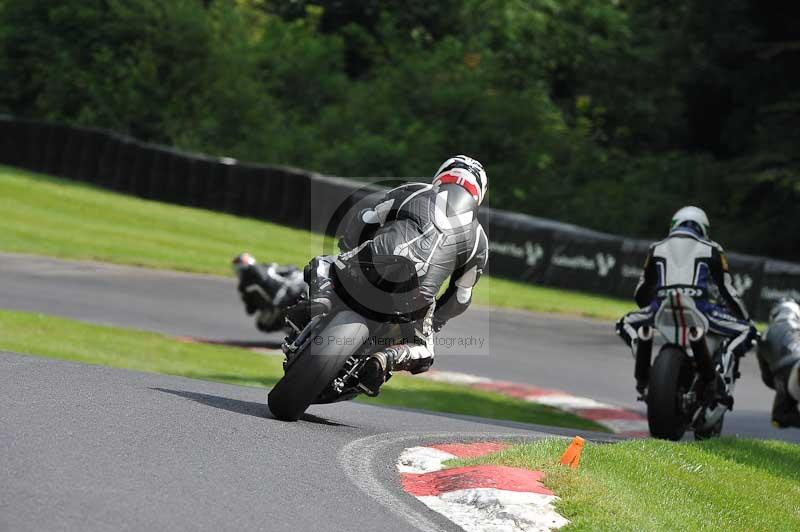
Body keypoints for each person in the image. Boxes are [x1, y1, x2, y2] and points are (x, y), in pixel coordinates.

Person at [304, 155, 489, 396]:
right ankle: (386, 359)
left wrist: (348, 249)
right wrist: (436, 322)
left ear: (441, 175)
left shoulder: (413, 191)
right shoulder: (479, 241)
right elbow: (460, 298)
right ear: (479, 194)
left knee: (323, 263)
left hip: (374, 259)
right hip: (416, 297)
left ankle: (320, 300)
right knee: (425, 351)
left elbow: (365, 220)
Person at [616, 206, 758, 397]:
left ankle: (643, 364)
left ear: (674, 225)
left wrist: (649, 309)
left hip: (661, 307)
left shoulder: (655, 248)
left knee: (623, 323)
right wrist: (744, 318)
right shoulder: (713, 249)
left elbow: (641, 292)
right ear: (704, 229)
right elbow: (728, 291)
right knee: (748, 332)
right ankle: (721, 379)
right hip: (701, 309)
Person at [233, 253, 307, 333]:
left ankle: (295, 334)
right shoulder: (268, 267)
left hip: (280, 305)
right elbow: (292, 269)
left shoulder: (243, 286)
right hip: (297, 291)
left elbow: (250, 310)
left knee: (262, 324)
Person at [757, 299, 800, 428]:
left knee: (778, 419)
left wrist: (780, 386)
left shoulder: (765, 334)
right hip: (793, 369)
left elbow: (767, 378)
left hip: (786, 372)